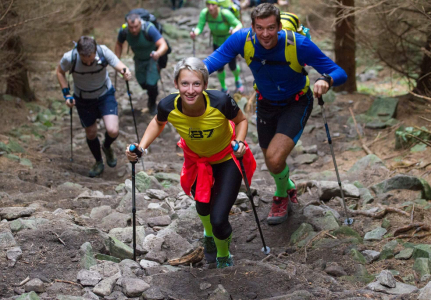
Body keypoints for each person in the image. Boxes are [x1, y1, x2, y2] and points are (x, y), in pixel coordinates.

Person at [203, 3, 347, 225]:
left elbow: (339, 72)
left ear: (279, 26)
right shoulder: (242, 39)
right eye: (259, 28)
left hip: (296, 102)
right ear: (252, 26)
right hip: (265, 102)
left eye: (271, 28)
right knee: (272, 164)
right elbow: (213, 61)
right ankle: (288, 187)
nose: (265, 34)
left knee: (274, 158)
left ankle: (280, 196)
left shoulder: (298, 44)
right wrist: (191, 75)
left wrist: (325, 79)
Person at [126, 57, 256, 268]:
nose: (190, 90)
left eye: (196, 84)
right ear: (176, 84)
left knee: (219, 218)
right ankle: (208, 236)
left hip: (226, 158)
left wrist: (240, 143)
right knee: (202, 207)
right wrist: (141, 147)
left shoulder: (221, 101)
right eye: (185, 84)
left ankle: (223, 256)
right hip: (198, 161)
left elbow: (241, 120)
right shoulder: (168, 105)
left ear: (205, 85)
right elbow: (157, 122)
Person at [56, 36, 132, 177]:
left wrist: (125, 71)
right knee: (91, 132)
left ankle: (107, 146)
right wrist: (66, 94)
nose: (89, 62)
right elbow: (60, 72)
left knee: (113, 130)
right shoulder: (70, 58)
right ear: (79, 53)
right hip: (83, 99)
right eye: (85, 60)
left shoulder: (103, 51)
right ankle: (98, 161)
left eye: (91, 59)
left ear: (95, 50)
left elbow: (118, 63)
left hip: (105, 95)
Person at [115, 12, 169, 115]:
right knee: (142, 83)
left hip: (152, 59)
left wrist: (158, 53)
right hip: (138, 59)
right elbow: (119, 43)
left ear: (140, 23)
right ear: (127, 25)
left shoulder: (149, 28)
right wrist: (117, 59)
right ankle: (151, 95)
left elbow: (163, 45)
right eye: (131, 27)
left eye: (136, 26)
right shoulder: (124, 31)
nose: (134, 30)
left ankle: (152, 104)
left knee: (151, 84)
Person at [190, 0, 244, 94]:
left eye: (213, 5)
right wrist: (195, 33)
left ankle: (237, 80)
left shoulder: (225, 13)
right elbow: (200, 26)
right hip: (216, 42)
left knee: (233, 65)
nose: (210, 7)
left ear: (217, 5)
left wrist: (235, 30)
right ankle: (223, 87)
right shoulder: (205, 13)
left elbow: (239, 24)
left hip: (229, 43)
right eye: (208, 4)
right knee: (219, 67)